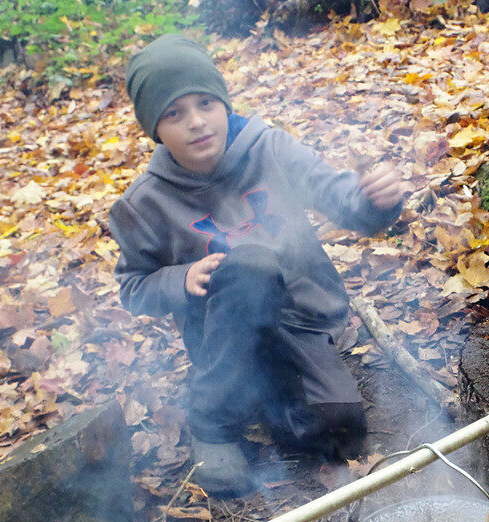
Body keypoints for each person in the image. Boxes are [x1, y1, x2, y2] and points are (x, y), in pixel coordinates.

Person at [110, 34, 404, 496]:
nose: (196, 122)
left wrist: (374, 201)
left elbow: (340, 197)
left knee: (340, 429)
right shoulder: (143, 204)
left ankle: (270, 397)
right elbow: (133, 289)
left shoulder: (270, 149)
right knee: (249, 265)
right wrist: (178, 279)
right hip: (223, 338)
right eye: (174, 113)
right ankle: (212, 420)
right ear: (155, 129)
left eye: (205, 103)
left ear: (224, 103)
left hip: (299, 322)